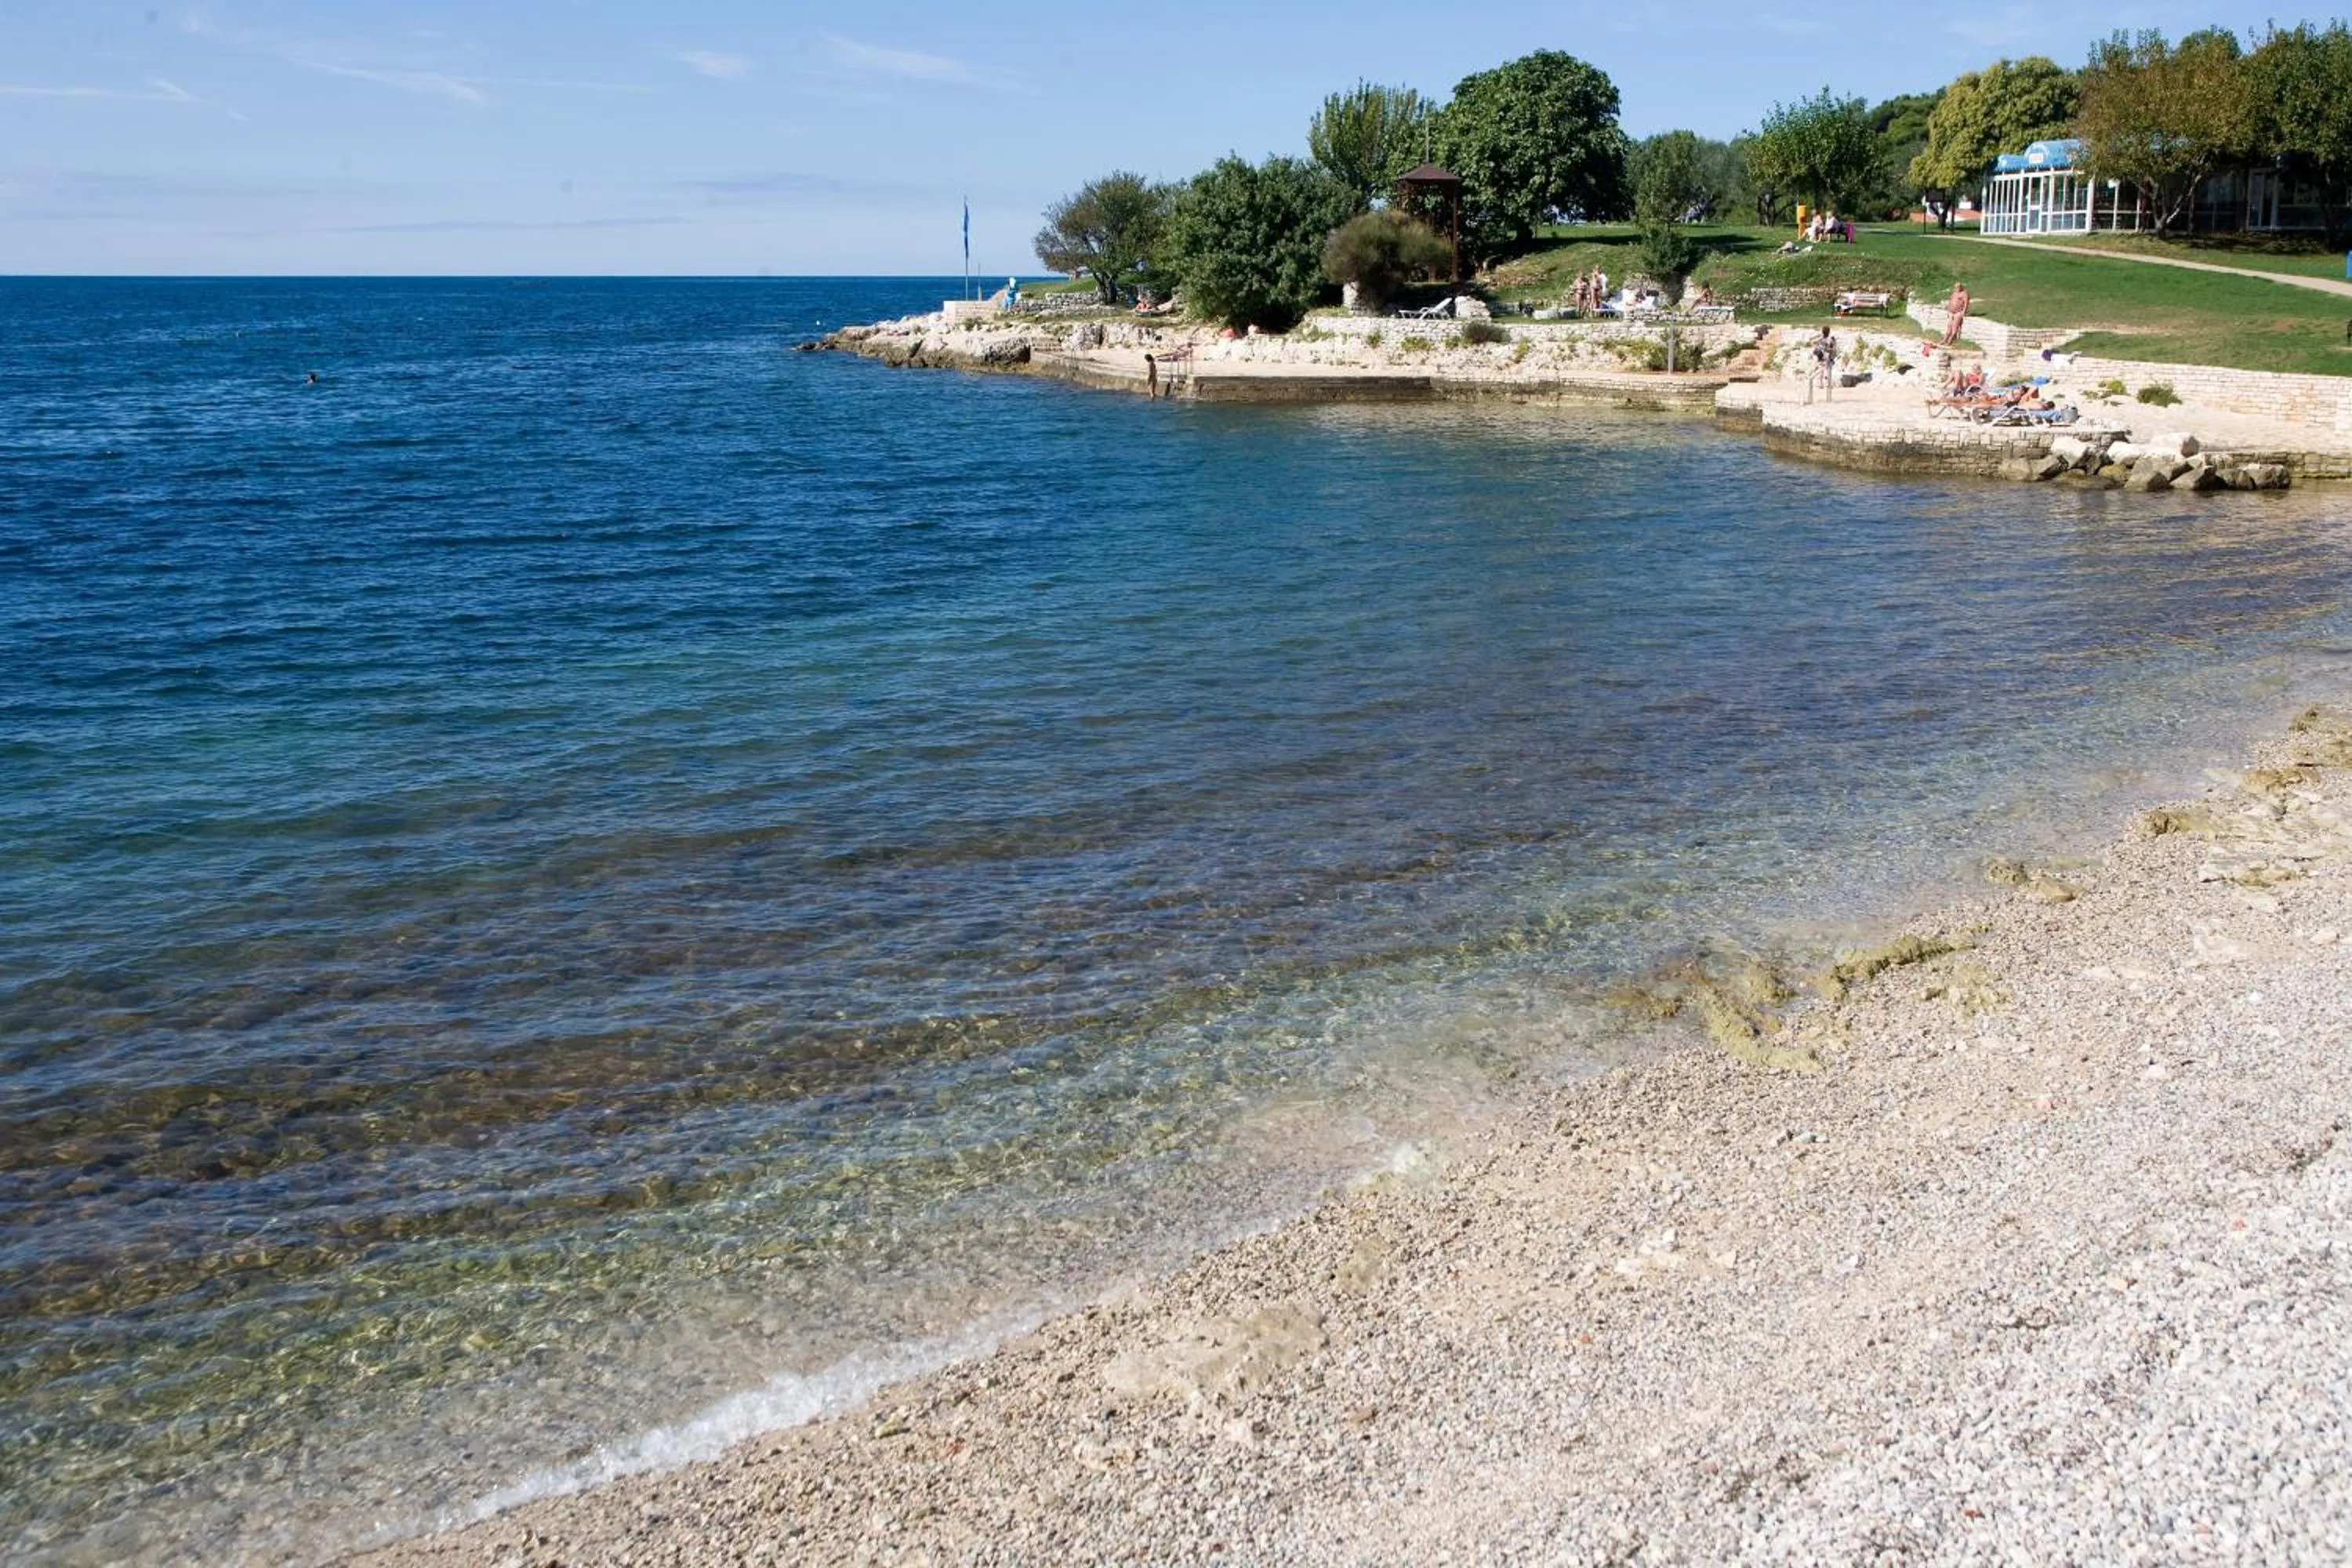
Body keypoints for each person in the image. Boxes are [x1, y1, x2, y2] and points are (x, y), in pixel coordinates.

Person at [1942, 281, 1969, 346]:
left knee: (1955, 327)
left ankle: (1950, 341)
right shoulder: (1954, 293)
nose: (1957, 288)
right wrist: (1948, 310)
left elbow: (1966, 303)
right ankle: (1944, 340)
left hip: (1958, 312)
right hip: (1951, 312)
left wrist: (1964, 311)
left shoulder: (1964, 294)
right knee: (1949, 326)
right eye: (1956, 287)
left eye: (1958, 287)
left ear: (1961, 287)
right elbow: (1951, 301)